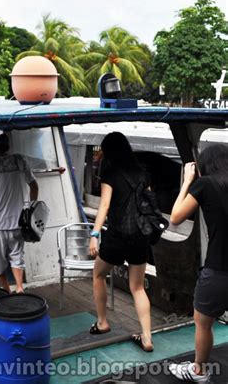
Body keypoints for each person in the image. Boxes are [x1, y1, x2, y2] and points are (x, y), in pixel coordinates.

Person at [89, 132, 154, 352]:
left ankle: (102, 322)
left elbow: (105, 205)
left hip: (117, 234)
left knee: (98, 274)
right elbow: (146, 203)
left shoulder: (110, 173)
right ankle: (146, 337)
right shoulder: (142, 172)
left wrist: (95, 234)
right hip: (140, 235)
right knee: (137, 287)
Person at [169, 144, 228, 383]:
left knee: (203, 322)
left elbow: (175, 217)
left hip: (218, 269)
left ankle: (199, 371)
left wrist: (187, 181)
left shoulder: (205, 184)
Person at [0, 134, 38, 293]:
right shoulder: (20, 160)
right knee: (17, 256)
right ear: (8, 146)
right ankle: (19, 287)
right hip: (18, 221)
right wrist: (30, 210)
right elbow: (34, 186)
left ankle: (6, 290)